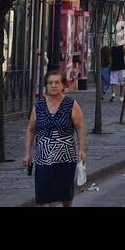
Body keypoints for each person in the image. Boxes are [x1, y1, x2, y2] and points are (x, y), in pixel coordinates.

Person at [24, 68, 86, 207]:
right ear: (46, 85)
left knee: (65, 195)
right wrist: (28, 153)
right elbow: (31, 129)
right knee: (43, 196)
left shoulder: (71, 105)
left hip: (65, 158)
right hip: (43, 158)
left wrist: (81, 150)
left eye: (57, 82)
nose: (53, 85)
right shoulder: (39, 106)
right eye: (50, 83)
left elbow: (80, 127)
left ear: (63, 85)